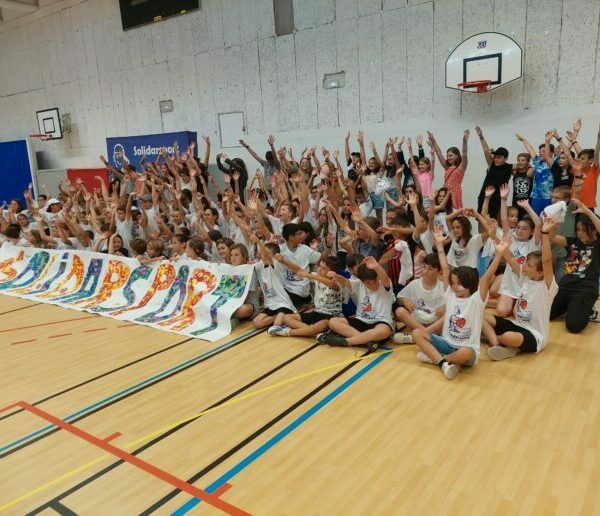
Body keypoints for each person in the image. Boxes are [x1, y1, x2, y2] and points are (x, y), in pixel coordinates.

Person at [411, 228, 507, 380]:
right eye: (453, 284)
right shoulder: (450, 294)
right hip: (447, 342)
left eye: (460, 284)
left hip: (466, 349)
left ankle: (437, 359)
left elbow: (487, 278)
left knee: (465, 353)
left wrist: (499, 254)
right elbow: (444, 268)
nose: (455, 287)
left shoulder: (477, 300)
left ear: (470, 285)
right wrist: (440, 246)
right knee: (417, 333)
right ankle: (443, 362)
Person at [483, 218, 558, 360]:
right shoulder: (526, 277)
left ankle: (493, 339)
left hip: (534, 335)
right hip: (516, 324)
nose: (524, 266)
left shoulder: (548, 286)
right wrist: (493, 235)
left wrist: (545, 234)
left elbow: (546, 261)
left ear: (540, 272)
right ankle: (496, 344)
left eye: (529, 265)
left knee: (508, 337)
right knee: (482, 318)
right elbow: (509, 256)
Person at [317, 256, 395, 351]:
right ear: (362, 281)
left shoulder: (385, 284)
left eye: (374, 282)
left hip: (380, 322)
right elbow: (345, 282)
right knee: (333, 321)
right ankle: (365, 341)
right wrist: (336, 276)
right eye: (368, 283)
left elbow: (384, 277)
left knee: (385, 330)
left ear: (377, 277)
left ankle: (347, 341)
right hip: (361, 320)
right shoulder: (359, 284)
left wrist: (376, 266)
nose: (372, 285)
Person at [549, 199, 600, 333]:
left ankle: (588, 309)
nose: (580, 233)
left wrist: (588, 211)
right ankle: (572, 306)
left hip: (585, 290)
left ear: (594, 230)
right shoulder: (573, 241)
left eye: (584, 230)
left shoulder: (597, 244)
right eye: (578, 229)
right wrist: (553, 224)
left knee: (574, 326)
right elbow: (552, 237)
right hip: (565, 287)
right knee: (546, 315)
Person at [267, 255, 343, 338]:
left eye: (324, 268)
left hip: (332, 316)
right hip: (317, 312)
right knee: (286, 318)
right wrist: (283, 261)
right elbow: (298, 270)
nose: (319, 269)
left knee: (321, 325)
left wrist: (310, 275)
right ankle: (313, 332)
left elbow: (331, 284)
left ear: (332, 272)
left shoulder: (337, 281)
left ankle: (286, 332)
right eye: (319, 266)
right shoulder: (317, 276)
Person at [393, 252, 445, 342]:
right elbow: (399, 299)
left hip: (435, 322)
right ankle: (428, 335)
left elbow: (455, 303)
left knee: (449, 316)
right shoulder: (415, 283)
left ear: (439, 272)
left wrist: (446, 306)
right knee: (399, 311)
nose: (425, 271)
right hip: (417, 321)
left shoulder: (443, 286)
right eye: (424, 267)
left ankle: (417, 336)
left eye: (431, 269)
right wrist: (404, 300)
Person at [474, 126, 513, 219]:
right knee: (481, 221)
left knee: (493, 222)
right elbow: (486, 150)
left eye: (499, 157)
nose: (496, 159)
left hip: (497, 199)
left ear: (505, 158)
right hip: (484, 196)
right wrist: (481, 136)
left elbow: (522, 165)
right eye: (495, 157)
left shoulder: (510, 167)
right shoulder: (492, 165)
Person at [428, 129, 470, 209]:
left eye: (451, 155)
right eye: (447, 156)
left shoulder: (461, 167)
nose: (448, 158)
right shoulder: (447, 167)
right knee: (444, 212)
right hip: (445, 192)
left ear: (457, 155)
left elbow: (464, 153)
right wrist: (433, 140)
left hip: (455, 193)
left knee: (453, 212)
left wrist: (464, 141)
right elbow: (439, 153)